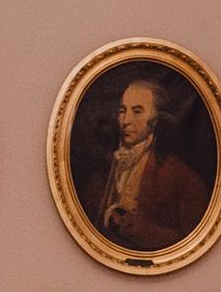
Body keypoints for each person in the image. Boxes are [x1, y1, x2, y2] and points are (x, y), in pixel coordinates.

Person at [86, 74, 208, 252]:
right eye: (122, 111)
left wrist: (140, 230)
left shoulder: (181, 177)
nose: (126, 121)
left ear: (156, 119)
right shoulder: (102, 172)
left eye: (137, 111)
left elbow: (192, 241)